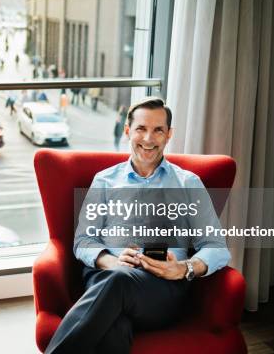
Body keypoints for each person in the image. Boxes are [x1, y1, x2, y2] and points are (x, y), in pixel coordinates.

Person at [45, 97, 230, 354]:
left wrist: (184, 268)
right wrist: (111, 262)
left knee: (114, 298)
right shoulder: (105, 181)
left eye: (158, 130)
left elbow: (217, 247)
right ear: (128, 130)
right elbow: (84, 241)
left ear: (169, 135)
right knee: (114, 322)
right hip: (106, 276)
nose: (148, 138)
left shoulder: (189, 184)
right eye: (141, 128)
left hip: (162, 290)